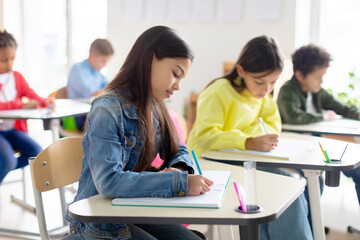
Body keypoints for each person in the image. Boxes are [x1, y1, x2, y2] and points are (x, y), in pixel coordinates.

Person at [65, 26, 213, 240]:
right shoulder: (107, 109)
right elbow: (108, 182)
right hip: (97, 221)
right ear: (150, 59)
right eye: (175, 74)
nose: (178, 86)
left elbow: (178, 148)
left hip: (130, 208)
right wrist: (177, 183)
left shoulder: (154, 106)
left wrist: (178, 168)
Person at [187, 36, 313, 240]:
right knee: (286, 184)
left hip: (245, 158)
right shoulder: (218, 91)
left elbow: (274, 124)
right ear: (241, 71)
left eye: (273, 82)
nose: (266, 89)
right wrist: (247, 141)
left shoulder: (262, 94)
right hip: (208, 162)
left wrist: (251, 138)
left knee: (306, 181)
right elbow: (205, 137)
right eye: (260, 82)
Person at [277, 44, 360, 205]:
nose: (321, 81)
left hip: (318, 146)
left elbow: (341, 107)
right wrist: (321, 116)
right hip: (296, 149)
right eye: (317, 77)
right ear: (300, 75)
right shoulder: (288, 90)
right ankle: (311, 226)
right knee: (316, 182)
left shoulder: (317, 91)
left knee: (358, 171)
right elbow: (293, 116)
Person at [0, 30, 47, 184]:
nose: (9, 64)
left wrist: (44, 101)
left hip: (12, 130)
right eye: (4, 60)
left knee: (36, 153)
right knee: (8, 161)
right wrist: (21, 104)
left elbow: (30, 93)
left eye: (12, 59)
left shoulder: (17, 77)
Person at [66, 38, 114, 131]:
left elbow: (110, 89)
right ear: (92, 55)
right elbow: (94, 94)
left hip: (93, 112)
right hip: (77, 116)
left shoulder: (99, 74)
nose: (104, 65)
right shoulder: (77, 69)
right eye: (103, 61)